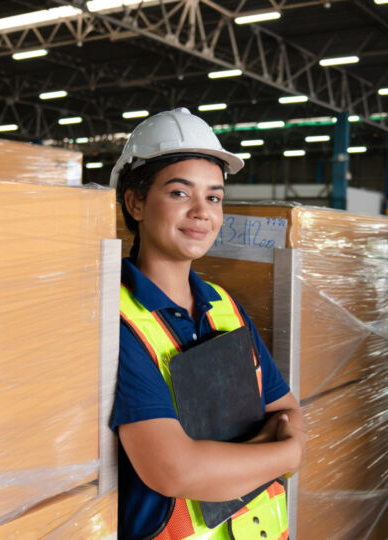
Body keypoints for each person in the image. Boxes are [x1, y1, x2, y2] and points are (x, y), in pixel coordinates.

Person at [109, 108, 306, 540]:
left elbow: (287, 409)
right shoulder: (117, 323)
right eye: (180, 193)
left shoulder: (223, 306)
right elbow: (174, 470)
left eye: (214, 197)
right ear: (136, 202)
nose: (202, 212)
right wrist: (283, 454)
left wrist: (243, 455)